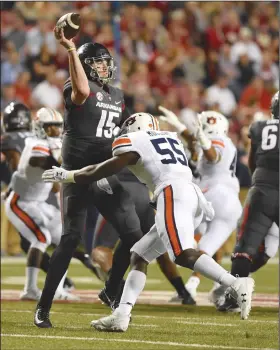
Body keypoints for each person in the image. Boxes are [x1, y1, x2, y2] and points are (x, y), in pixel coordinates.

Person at [43, 112, 255, 331]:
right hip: (189, 194)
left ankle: (235, 283)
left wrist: (68, 175)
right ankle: (121, 315)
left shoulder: (136, 141)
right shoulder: (168, 137)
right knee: (139, 255)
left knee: (181, 253)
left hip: (173, 193)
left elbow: (100, 170)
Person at [34, 27, 150, 328]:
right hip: (74, 173)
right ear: (85, 65)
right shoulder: (76, 87)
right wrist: (71, 50)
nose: (104, 66)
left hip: (102, 170)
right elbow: (83, 93)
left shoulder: (118, 94)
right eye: (97, 62)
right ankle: (43, 307)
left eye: (105, 61)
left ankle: (111, 288)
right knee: (71, 238)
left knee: (134, 237)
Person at [159, 107, 242, 304]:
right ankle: (219, 286)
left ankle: (205, 286)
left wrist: (203, 141)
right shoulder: (223, 141)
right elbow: (196, 144)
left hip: (212, 196)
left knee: (184, 245)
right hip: (227, 201)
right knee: (205, 249)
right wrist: (181, 128)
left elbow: (213, 156)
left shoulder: (217, 142)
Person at [92, 168, 196, 305]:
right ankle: (183, 292)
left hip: (119, 187)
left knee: (100, 248)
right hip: (144, 194)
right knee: (156, 247)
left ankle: (116, 286)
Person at [4, 106, 78, 300]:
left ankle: (59, 290)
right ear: (40, 127)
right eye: (51, 126)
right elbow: (38, 160)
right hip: (20, 202)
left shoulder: (57, 143)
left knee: (65, 238)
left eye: (58, 126)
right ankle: (30, 289)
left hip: (37, 202)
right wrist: (58, 164)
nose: (56, 130)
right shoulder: (35, 142)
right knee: (42, 237)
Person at [217, 91, 279, 312]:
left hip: (262, 189)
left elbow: (253, 160)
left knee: (245, 247)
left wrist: (260, 184)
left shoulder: (260, 127)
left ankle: (234, 298)